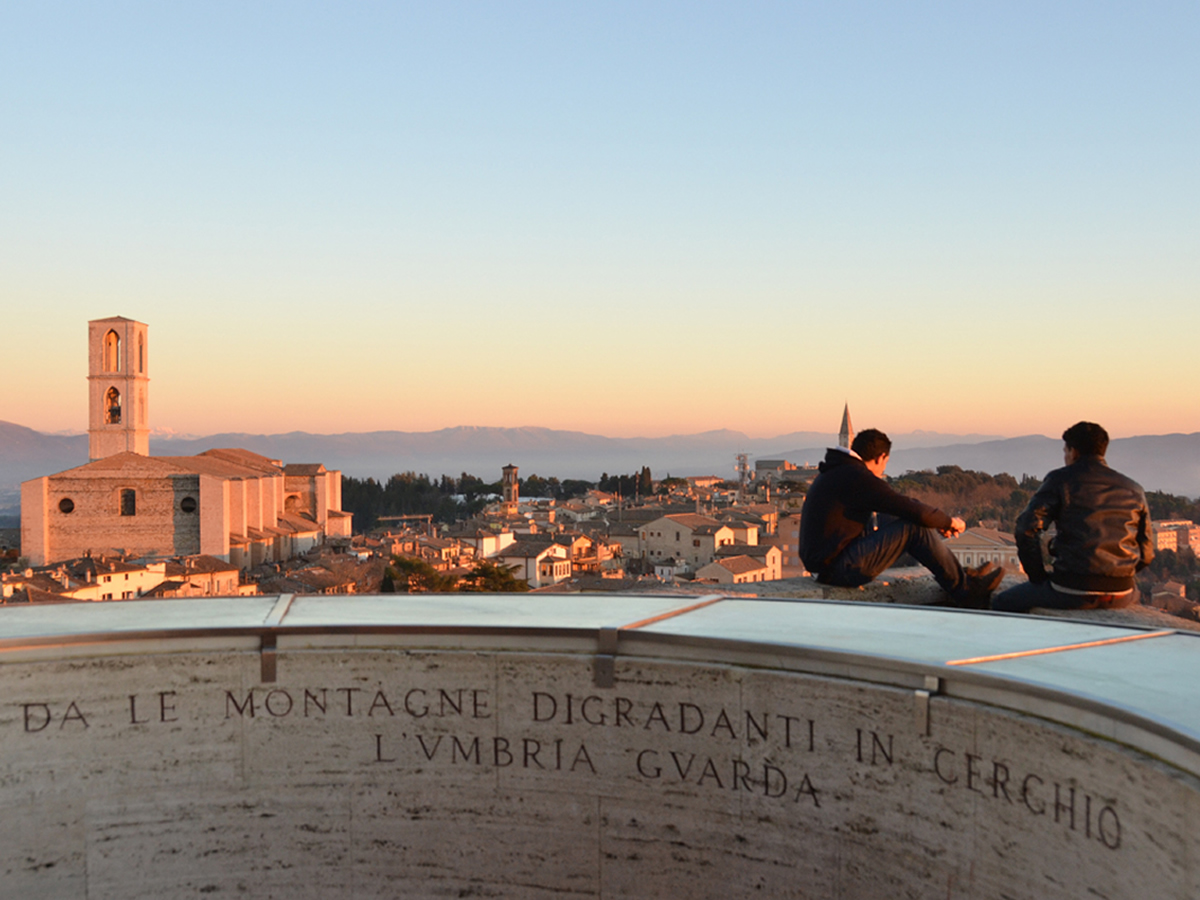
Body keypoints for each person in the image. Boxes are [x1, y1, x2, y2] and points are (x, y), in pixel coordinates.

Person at [799, 428, 1003, 607]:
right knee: (914, 527)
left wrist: (934, 520)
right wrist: (949, 522)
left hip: (828, 565)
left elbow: (900, 506)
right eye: (885, 464)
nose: (883, 470)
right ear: (880, 458)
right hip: (837, 569)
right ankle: (967, 592)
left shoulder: (841, 471)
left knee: (901, 516)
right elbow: (916, 511)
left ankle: (962, 576)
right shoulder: (857, 477)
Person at [992, 421, 1153, 613]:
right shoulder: (1134, 489)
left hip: (1072, 588)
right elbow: (1147, 552)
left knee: (1002, 602)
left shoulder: (1061, 480)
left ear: (1074, 452)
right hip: (1122, 591)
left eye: (1065, 451)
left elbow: (1026, 528)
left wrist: (1038, 577)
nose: (1065, 457)